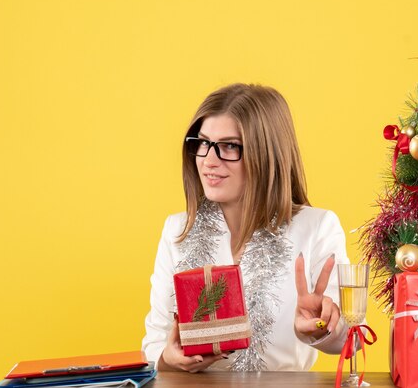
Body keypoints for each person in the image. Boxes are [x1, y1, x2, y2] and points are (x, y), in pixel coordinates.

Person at [142, 83, 350, 372]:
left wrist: (320, 329)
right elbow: (154, 346)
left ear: (266, 155)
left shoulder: (316, 227)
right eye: (202, 143)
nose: (208, 161)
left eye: (229, 146)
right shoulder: (178, 230)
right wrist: (169, 359)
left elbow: (351, 339)